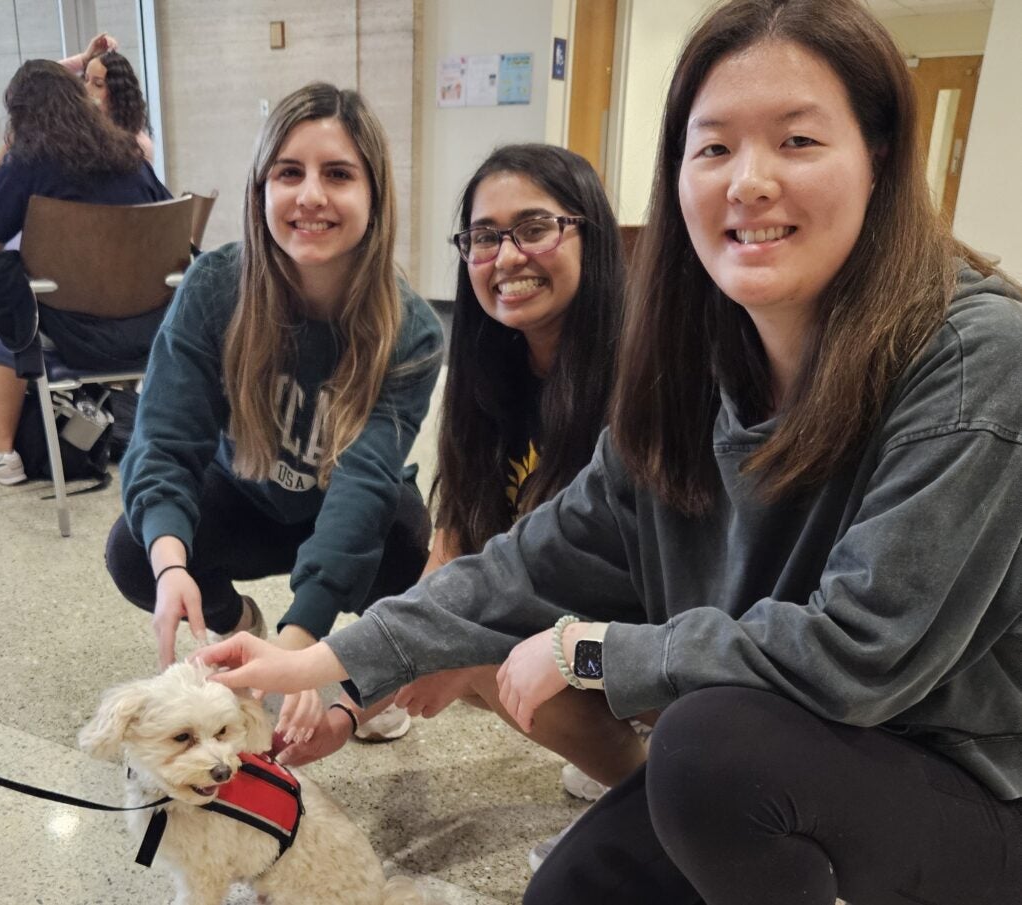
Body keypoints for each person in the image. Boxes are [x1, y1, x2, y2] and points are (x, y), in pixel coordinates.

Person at [197, 0, 1022, 901]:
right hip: (764, 749)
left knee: (708, 749)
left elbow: (859, 652)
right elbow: (536, 552)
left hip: (955, 780)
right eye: (712, 148)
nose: (747, 181)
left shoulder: (975, 356)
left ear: (881, 160)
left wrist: (591, 650)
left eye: (796, 141)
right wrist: (322, 659)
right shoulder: (689, 361)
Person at [278, 143, 644, 811]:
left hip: (649, 647)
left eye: (534, 228)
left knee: (476, 649)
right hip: (566, 628)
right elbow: (446, 563)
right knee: (463, 631)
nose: (506, 257)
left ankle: (651, 786)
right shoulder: (488, 376)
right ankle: (618, 758)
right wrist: (346, 710)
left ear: (588, 233)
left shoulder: (637, 380)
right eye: (483, 236)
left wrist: (442, 653)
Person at [105, 82, 443, 751]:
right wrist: (173, 568)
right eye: (289, 172)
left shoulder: (412, 330)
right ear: (261, 189)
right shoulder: (215, 287)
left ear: (374, 197)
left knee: (407, 544)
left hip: (342, 510)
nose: (310, 195)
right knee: (136, 547)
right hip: (246, 495)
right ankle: (240, 624)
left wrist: (299, 650)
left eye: (338, 174)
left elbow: (364, 484)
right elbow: (165, 441)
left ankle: (357, 666)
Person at [0, 59, 170, 486]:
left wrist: (3, 155)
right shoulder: (131, 157)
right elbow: (171, 226)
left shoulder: (28, 161)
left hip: (73, 333)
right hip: (148, 329)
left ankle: (3, 451)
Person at [60, 34, 155, 162]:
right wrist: (83, 59)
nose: (86, 89)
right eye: (86, 79)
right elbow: (41, 78)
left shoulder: (138, 145)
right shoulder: (78, 131)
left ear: (117, 94)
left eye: (98, 84)